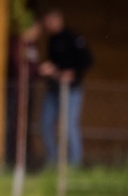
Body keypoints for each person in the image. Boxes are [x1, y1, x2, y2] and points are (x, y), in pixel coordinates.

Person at [38, 9, 91, 168]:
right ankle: (54, 161)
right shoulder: (52, 39)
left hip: (71, 90)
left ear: (58, 20)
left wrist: (73, 72)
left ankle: (75, 164)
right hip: (53, 89)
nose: (47, 26)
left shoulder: (74, 38)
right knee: (45, 125)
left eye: (49, 22)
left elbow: (87, 60)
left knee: (69, 127)